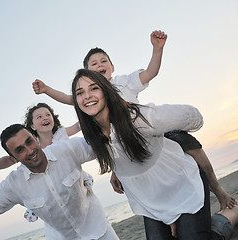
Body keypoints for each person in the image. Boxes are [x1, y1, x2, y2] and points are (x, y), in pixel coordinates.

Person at [32, 31, 235, 212]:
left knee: (191, 146)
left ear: (112, 67)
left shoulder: (125, 81)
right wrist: (47, 90)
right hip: (122, 149)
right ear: (87, 75)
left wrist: (157, 49)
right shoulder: (89, 98)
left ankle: (218, 190)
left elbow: (151, 72)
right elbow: (73, 101)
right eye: (93, 64)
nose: (99, 65)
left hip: (149, 132)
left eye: (104, 61)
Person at [71, 68, 217, 239]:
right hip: (152, 204)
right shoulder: (93, 138)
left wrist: (174, 136)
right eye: (80, 92)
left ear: (106, 91)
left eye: (94, 88)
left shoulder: (137, 119)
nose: (87, 96)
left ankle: (227, 217)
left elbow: (192, 116)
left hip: (183, 187)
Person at [0, 124, 119, 239]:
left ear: (36, 139)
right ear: (13, 158)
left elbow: (106, 144)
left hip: (101, 231)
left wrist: (116, 172)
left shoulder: (67, 150)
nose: (30, 151)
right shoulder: (13, 185)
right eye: (20, 150)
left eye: (29, 142)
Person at [0, 103, 94, 222]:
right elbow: (8, 160)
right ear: (32, 126)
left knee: (82, 200)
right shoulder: (31, 145)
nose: (45, 118)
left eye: (48, 114)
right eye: (39, 117)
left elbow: (78, 126)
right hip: (45, 186)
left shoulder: (60, 133)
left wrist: (90, 111)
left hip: (69, 177)